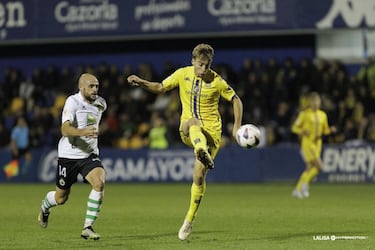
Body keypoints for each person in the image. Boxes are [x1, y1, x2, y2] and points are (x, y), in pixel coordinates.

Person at [127, 43, 243, 240]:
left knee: (198, 177)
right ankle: (200, 150)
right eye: (200, 64)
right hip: (189, 129)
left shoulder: (217, 81)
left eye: (207, 65)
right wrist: (141, 82)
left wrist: (237, 126)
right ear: (193, 61)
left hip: (212, 134)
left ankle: (189, 220)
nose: (203, 69)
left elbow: (236, 100)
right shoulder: (183, 74)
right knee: (191, 122)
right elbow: (161, 87)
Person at [38, 73, 107, 240]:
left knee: (99, 183)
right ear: (81, 87)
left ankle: (87, 228)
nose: (95, 89)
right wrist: (82, 132)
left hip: (88, 155)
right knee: (61, 198)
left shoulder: (101, 103)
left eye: (97, 86)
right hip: (68, 156)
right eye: (91, 86)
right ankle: (45, 207)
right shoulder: (72, 102)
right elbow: (65, 129)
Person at [291, 92, 336, 199]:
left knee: (310, 167)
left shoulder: (323, 115)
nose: (315, 103)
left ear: (320, 102)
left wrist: (331, 130)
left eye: (317, 101)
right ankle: (304, 185)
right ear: (309, 102)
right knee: (319, 166)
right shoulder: (304, 114)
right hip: (308, 143)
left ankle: (298, 189)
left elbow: (325, 131)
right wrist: (302, 131)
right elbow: (294, 128)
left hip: (318, 143)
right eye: (313, 101)